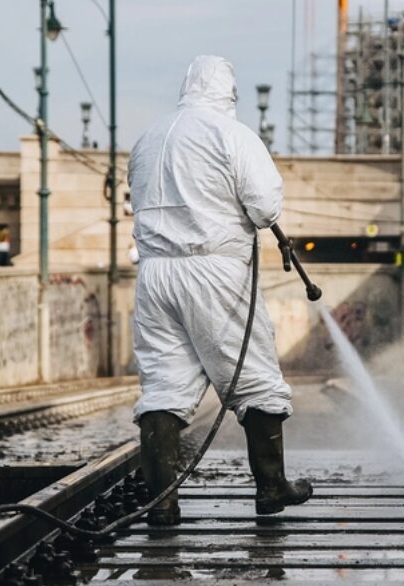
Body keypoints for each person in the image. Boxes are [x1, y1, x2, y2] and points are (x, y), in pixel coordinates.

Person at [127, 55, 313, 524]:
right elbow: (265, 207)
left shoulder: (149, 139)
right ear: (229, 93)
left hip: (155, 276)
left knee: (163, 386)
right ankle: (271, 489)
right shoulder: (232, 135)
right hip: (213, 271)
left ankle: (162, 505)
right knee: (255, 378)